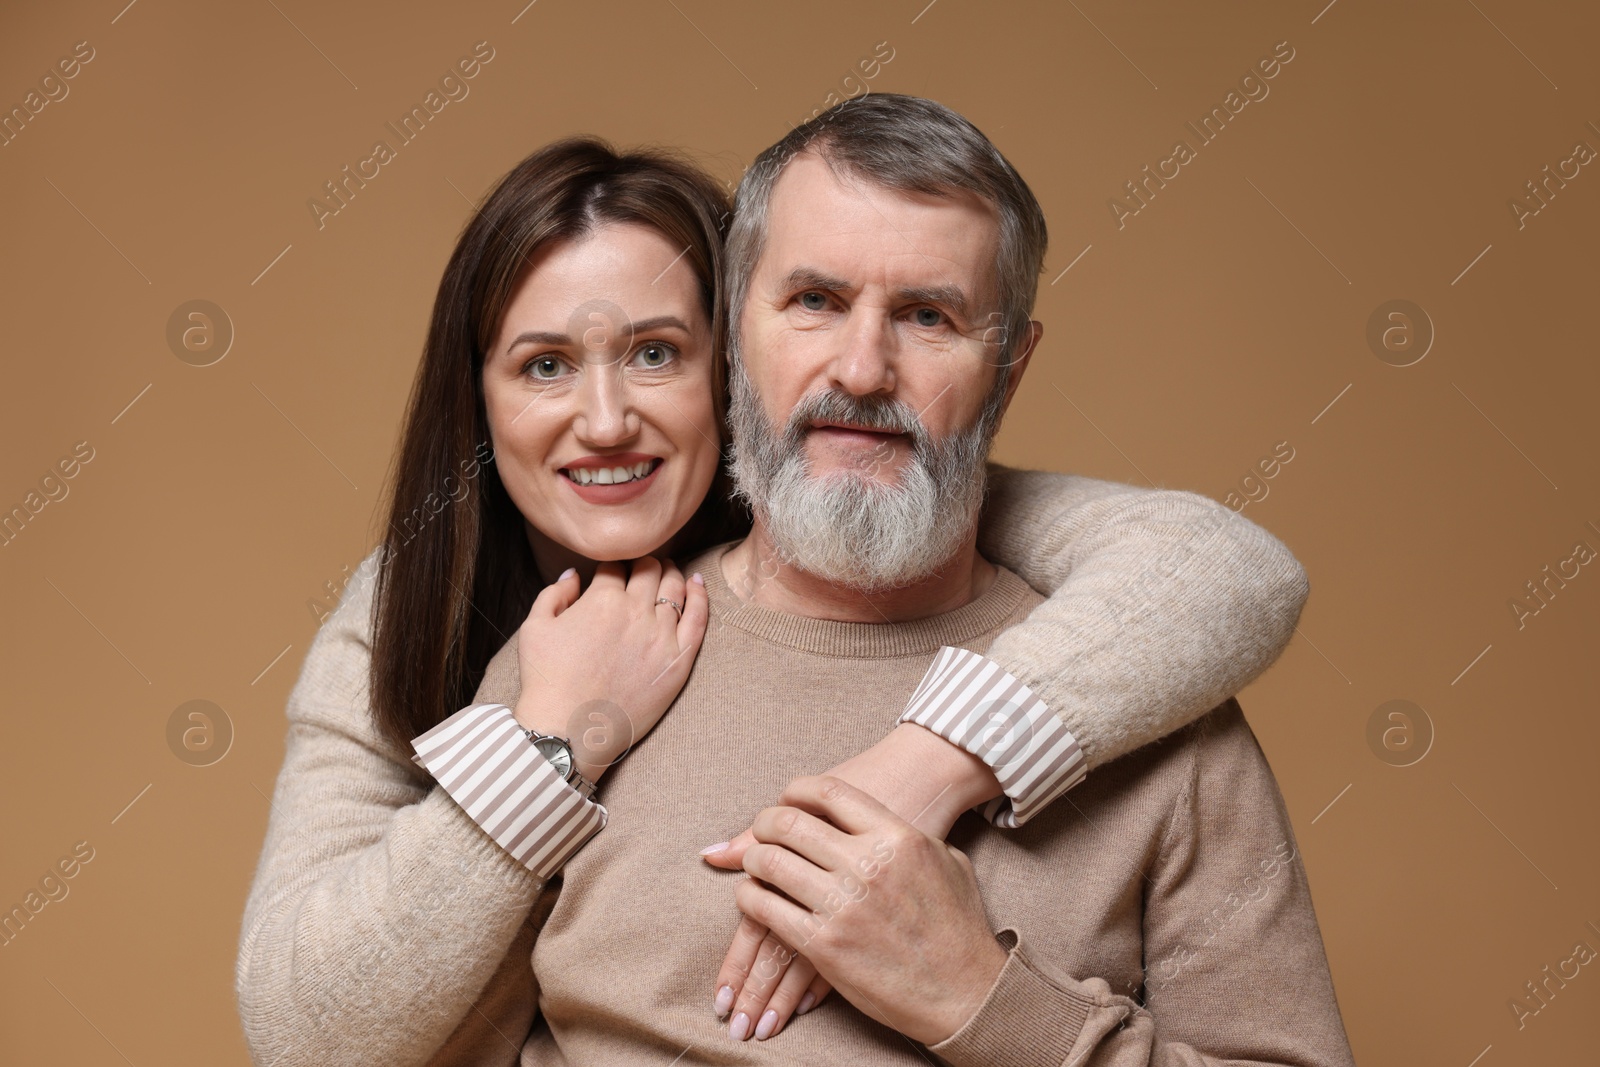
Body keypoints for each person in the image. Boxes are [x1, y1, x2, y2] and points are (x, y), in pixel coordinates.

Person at [235, 108, 1315, 1066]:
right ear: (743, 338)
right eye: (813, 299)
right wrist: (544, 743)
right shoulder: (569, 665)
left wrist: (987, 999)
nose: (860, 369)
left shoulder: (1145, 686)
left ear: (1010, 365)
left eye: (930, 316)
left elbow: (1212, 562)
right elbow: (352, 1040)